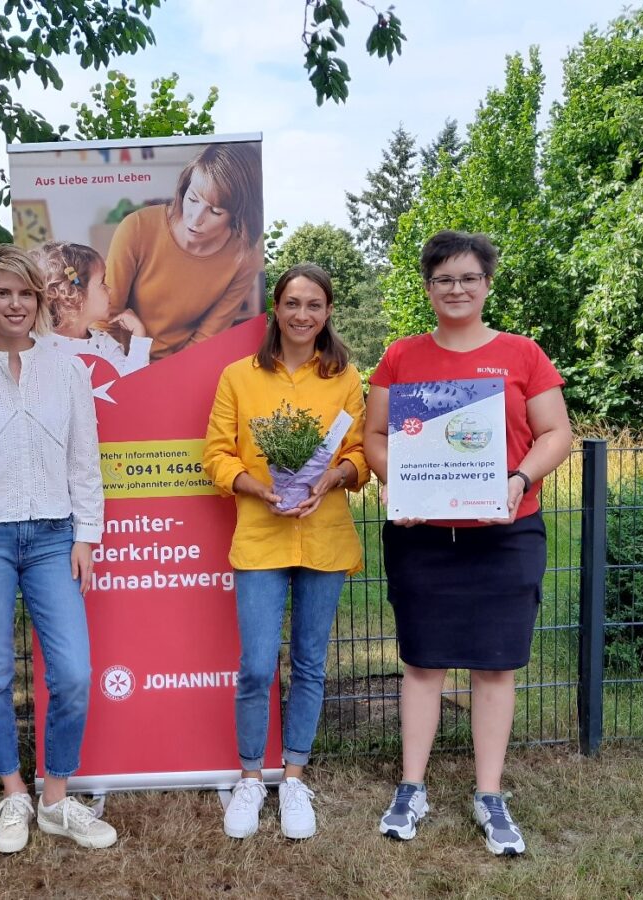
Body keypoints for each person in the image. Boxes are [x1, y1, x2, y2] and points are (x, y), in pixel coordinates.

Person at [364, 230, 572, 856]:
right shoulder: (400, 357)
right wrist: (394, 481)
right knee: (423, 663)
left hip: (506, 535)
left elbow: (557, 432)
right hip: (422, 536)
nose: (457, 289)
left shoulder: (522, 354)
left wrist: (518, 478)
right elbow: (376, 435)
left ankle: (489, 794)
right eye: (444, 279)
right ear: (428, 288)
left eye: (468, 278)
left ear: (486, 284)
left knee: (494, 666)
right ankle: (411, 786)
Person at [0, 244, 116, 853]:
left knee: (72, 672)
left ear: (39, 302)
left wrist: (87, 534)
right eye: (3, 293)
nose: (15, 304)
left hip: (54, 537)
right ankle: (13, 792)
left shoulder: (68, 371)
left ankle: (56, 799)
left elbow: (84, 459)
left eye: (26, 294)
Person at [203, 263, 369, 840]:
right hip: (260, 535)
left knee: (309, 665)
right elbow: (217, 455)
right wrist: (256, 487)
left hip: (324, 536)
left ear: (327, 313)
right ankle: (251, 778)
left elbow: (360, 454)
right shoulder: (238, 377)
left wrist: (333, 479)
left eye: (315, 305)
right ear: (275, 308)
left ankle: (294, 775)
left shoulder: (344, 378)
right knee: (255, 666)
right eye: (293, 303)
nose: (303, 315)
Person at [105, 142, 264, 361]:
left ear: (238, 215)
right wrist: (129, 369)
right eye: (192, 199)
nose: (195, 219)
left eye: (215, 211)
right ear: (184, 188)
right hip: (122, 361)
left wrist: (170, 374)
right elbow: (104, 319)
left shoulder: (244, 258)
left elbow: (207, 338)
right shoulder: (137, 228)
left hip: (183, 366)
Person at [32, 240, 152, 375]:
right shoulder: (36, 344)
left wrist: (139, 336)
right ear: (75, 294)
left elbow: (132, 386)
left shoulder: (104, 344)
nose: (110, 290)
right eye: (102, 282)